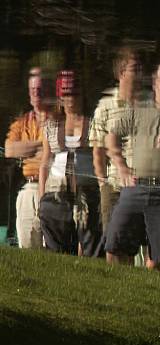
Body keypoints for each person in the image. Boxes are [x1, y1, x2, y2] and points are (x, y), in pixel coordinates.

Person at [104, 61, 160, 270]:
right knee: (115, 245)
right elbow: (111, 137)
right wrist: (121, 167)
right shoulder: (139, 109)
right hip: (136, 187)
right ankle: (119, 289)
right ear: (154, 82)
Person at [38, 70, 102, 256]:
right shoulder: (51, 124)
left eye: (74, 93)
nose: (71, 98)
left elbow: (100, 157)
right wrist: (42, 197)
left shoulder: (93, 123)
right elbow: (45, 161)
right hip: (56, 191)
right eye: (66, 94)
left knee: (90, 245)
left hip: (87, 190)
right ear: (59, 97)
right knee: (58, 248)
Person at [89, 46, 144, 262]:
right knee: (113, 243)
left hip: (141, 185)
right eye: (134, 68)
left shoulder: (149, 103)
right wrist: (104, 184)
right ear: (121, 72)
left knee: (133, 244)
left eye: (141, 68)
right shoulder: (105, 106)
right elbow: (98, 152)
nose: (140, 72)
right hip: (114, 186)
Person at [4, 68, 51, 249]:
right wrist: (41, 146)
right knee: (27, 244)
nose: (36, 93)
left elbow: (55, 152)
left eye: (40, 89)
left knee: (52, 246)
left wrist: (28, 149)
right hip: (29, 186)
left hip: (52, 185)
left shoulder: (57, 118)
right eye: (33, 90)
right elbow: (9, 149)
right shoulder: (23, 122)